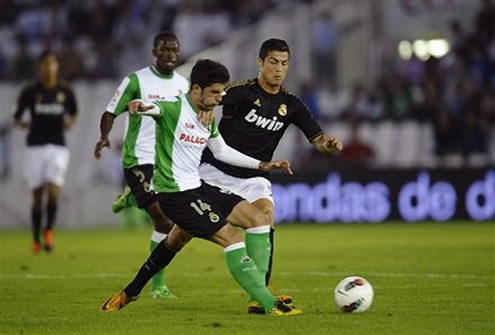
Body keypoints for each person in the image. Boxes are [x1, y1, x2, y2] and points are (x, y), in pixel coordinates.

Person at [100, 59, 302, 316]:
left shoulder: (206, 117)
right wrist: (139, 106)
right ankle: (267, 302)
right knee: (232, 236)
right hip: (175, 195)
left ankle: (130, 292)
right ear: (195, 90)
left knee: (252, 219)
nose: (220, 98)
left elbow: (222, 151)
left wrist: (263, 164)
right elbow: (154, 109)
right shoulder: (173, 108)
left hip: (198, 188)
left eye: (221, 92)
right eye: (215, 93)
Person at [199, 38, 342, 314]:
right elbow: (209, 97)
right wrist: (205, 110)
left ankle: (259, 296)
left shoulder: (292, 104)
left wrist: (329, 145)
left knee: (265, 217)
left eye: (285, 63)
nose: (279, 69)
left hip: (254, 176)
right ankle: (150, 281)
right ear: (260, 63)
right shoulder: (240, 92)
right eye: (273, 62)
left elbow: (318, 139)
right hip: (216, 172)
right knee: (178, 236)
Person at [94, 32, 189, 299]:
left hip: (167, 160)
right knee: (164, 221)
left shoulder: (183, 83)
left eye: (174, 49)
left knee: (170, 223)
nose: (170, 53)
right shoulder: (136, 80)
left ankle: (133, 196)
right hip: (138, 158)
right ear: (154, 52)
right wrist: (104, 137)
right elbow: (110, 111)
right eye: (165, 49)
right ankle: (158, 286)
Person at [13, 50, 78, 253]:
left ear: (57, 66)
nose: (50, 67)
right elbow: (16, 115)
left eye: (53, 63)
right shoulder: (30, 91)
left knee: (53, 191)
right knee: (37, 196)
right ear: (41, 67)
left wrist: (70, 122)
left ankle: (48, 231)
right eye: (46, 63)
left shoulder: (65, 90)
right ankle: (35, 238)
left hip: (58, 147)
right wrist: (22, 124)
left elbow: (74, 111)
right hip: (35, 147)